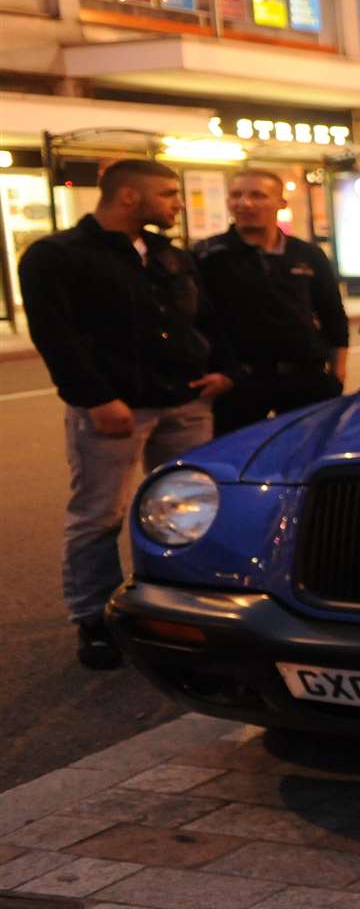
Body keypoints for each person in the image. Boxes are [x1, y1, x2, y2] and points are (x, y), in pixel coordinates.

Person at [18, 158, 234, 670]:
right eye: (167, 194)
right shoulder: (57, 256)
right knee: (99, 514)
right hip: (115, 408)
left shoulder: (169, 255)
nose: (178, 204)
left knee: (190, 511)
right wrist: (95, 398)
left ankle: (184, 609)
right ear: (130, 197)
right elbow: (56, 335)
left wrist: (225, 371)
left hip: (186, 402)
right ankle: (94, 618)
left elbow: (206, 317)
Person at [193, 169, 350, 434]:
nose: (244, 203)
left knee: (305, 455)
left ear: (281, 203)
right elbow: (197, 320)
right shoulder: (208, 255)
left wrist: (337, 373)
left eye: (257, 195)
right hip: (239, 382)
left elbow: (332, 312)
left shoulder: (307, 254)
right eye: (236, 195)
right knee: (238, 462)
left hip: (305, 379)